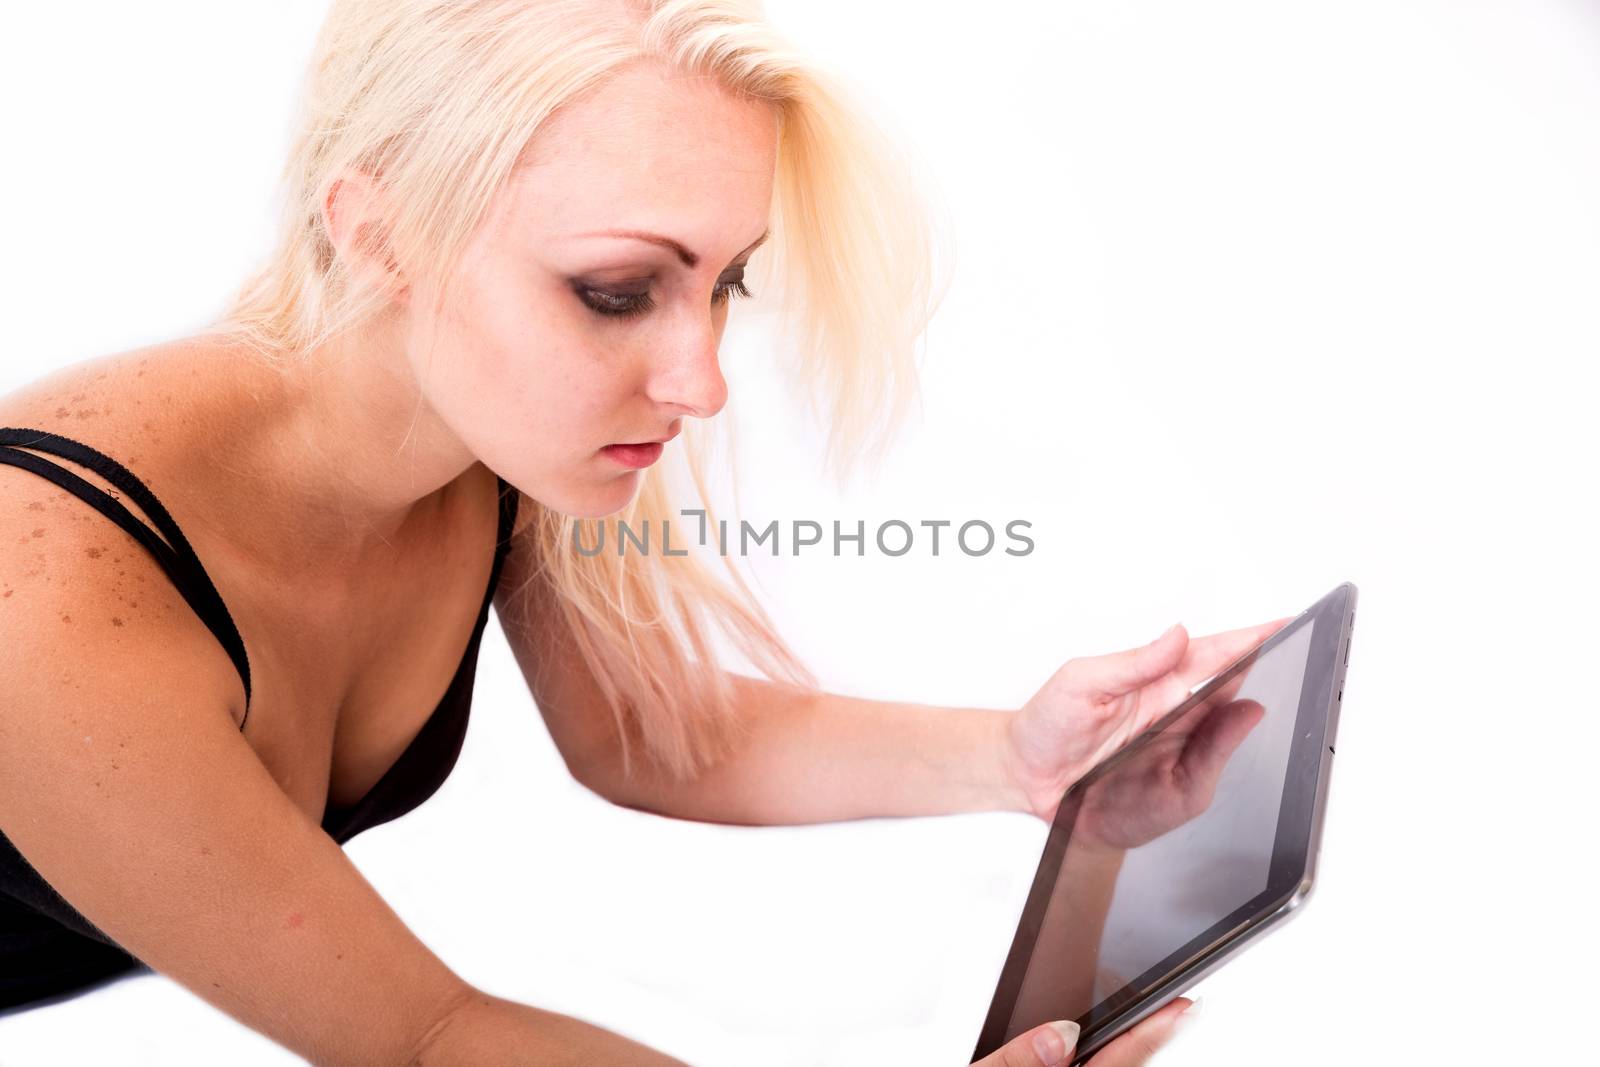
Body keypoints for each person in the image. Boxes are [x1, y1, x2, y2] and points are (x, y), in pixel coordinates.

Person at [0, 1, 1280, 1062]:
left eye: (723, 284)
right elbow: (423, 1036)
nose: (703, 379)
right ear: (375, 230)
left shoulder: (482, 445)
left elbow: (637, 730)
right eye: (616, 291)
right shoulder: (44, 586)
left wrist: (1018, 763)